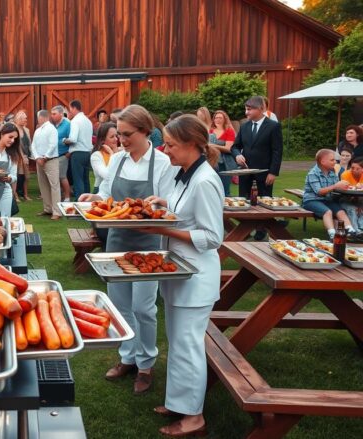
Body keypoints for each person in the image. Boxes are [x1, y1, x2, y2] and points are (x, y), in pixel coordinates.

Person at [79, 104, 176, 394]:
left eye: (127, 134)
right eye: (119, 134)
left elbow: (166, 206)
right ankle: (127, 357)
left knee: (143, 308)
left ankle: (146, 364)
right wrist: (93, 198)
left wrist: (149, 211)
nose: (121, 140)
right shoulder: (118, 159)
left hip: (149, 244)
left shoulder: (162, 162)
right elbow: (107, 194)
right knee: (119, 305)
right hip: (118, 239)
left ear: (145, 132)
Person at [138, 115, 224, 437]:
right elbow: (183, 212)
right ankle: (179, 402)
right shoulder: (183, 173)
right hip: (177, 272)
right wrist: (163, 204)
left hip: (196, 277)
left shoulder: (205, 180)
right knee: (177, 342)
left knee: (188, 345)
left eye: (171, 145)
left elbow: (213, 237)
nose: (165, 150)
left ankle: (194, 417)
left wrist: (162, 230)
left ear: (191, 144)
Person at [231, 96, 283, 198]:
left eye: (249, 109)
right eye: (246, 109)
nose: (246, 112)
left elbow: (277, 151)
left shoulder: (273, 126)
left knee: (263, 202)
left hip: (264, 175)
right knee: (244, 202)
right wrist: (237, 155)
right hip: (245, 174)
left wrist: (273, 173)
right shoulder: (244, 126)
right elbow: (235, 147)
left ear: (261, 109)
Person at [302, 149, 357, 239]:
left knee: (341, 212)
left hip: (327, 200)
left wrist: (345, 187)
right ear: (323, 162)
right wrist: (336, 186)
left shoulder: (332, 172)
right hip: (311, 201)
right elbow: (319, 191)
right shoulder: (313, 173)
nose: (335, 162)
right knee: (327, 212)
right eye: (332, 160)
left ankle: (351, 231)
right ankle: (332, 234)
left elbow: (336, 187)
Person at [31, 109, 61, 219]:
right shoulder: (38, 130)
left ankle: (57, 212)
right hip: (40, 160)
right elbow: (33, 145)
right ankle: (48, 208)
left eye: (38, 117)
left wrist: (45, 157)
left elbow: (53, 145)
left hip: (51, 160)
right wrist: (37, 157)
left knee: (54, 185)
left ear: (41, 117)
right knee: (43, 185)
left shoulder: (51, 129)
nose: (38, 119)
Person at [63, 100, 93, 200]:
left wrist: (64, 140)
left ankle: (79, 201)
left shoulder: (75, 121)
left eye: (70, 108)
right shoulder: (88, 121)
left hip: (78, 153)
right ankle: (88, 200)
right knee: (85, 178)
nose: (69, 111)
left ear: (74, 108)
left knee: (78, 179)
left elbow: (73, 139)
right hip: (87, 152)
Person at [208, 110, 237, 196]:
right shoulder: (210, 131)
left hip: (224, 163)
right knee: (212, 189)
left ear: (225, 119)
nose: (218, 119)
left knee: (225, 189)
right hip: (211, 162)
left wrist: (212, 145)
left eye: (220, 118)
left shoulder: (229, 131)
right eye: (216, 118)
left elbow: (228, 148)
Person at [90, 122, 119, 192]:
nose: (116, 139)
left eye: (116, 136)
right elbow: (107, 176)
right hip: (101, 191)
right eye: (112, 137)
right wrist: (112, 155)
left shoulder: (119, 152)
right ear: (103, 140)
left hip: (117, 191)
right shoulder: (96, 156)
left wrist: (116, 153)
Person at [51, 105, 72, 201]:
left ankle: (67, 197)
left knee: (62, 176)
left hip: (63, 155)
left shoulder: (67, 124)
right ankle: (61, 196)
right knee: (57, 177)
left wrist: (68, 153)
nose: (52, 116)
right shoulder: (54, 125)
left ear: (61, 114)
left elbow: (72, 139)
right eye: (51, 114)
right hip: (55, 155)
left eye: (54, 114)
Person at [340, 157, 363, 233]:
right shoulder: (345, 174)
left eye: (357, 169)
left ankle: (361, 229)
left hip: (361, 199)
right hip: (346, 199)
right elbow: (344, 192)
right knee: (352, 209)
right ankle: (356, 232)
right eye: (352, 168)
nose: (354, 170)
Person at [14, 111, 32, 201]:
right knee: (16, 176)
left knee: (26, 176)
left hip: (26, 156)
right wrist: (22, 156)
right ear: (19, 119)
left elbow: (29, 144)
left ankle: (25, 195)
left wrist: (30, 155)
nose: (26, 120)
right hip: (17, 156)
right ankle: (16, 195)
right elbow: (17, 145)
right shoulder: (14, 129)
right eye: (25, 118)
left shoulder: (27, 130)